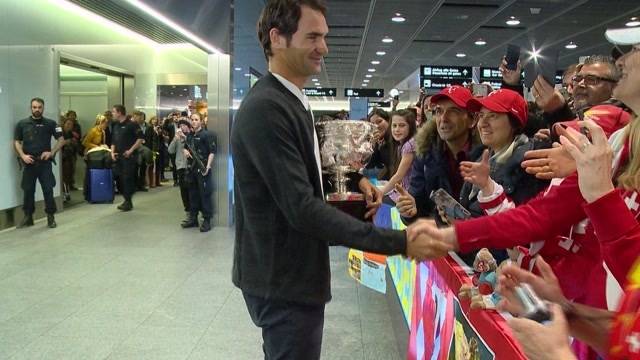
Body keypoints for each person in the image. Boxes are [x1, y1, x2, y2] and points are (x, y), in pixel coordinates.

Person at [231, 1, 449, 358]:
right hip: (283, 279)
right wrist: (400, 242)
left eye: (325, 37)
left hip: (292, 273)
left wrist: (353, 179)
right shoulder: (267, 108)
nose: (324, 48)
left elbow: (305, 174)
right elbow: (300, 207)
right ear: (278, 38)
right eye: (313, 37)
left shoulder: (291, 101)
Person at [396, 85, 483, 222]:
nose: (443, 118)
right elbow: (417, 204)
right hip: (440, 237)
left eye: (453, 111)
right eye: (438, 111)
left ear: (472, 120)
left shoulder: (486, 156)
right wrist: (409, 212)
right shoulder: (425, 154)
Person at [14, 98, 64, 228]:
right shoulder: (22, 124)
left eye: (39, 107)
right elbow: (17, 142)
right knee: (28, 190)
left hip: (44, 163)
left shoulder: (51, 124)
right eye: (34, 107)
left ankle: (50, 217)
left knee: (48, 189)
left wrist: (51, 152)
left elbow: (61, 140)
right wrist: (23, 155)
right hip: (29, 163)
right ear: (31, 108)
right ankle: (28, 217)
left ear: (43, 108)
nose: (37, 109)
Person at [181, 113, 216, 232]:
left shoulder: (207, 135)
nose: (194, 121)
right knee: (193, 194)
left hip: (202, 169)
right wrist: (185, 151)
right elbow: (186, 146)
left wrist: (208, 166)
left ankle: (206, 220)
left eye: (196, 119)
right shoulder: (190, 135)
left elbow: (212, 151)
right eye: (192, 119)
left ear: (201, 121)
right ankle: (193, 218)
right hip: (191, 169)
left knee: (205, 194)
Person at [110, 105, 144, 211]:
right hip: (118, 156)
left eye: (114, 112)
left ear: (120, 113)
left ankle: (127, 201)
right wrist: (112, 152)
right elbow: (113, 141)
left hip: (129, 156)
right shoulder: (115, 125)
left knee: (127, 178)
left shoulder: (132, 125)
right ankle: (128, 196)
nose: (112, 114)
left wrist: (131, 150)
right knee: (120, 178)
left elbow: (140, 139)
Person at [379, 109, 417, 202]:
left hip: (409, 195)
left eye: (402, 125)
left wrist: (379, 193)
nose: (397, 129)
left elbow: (398, 176)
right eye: (394, 125)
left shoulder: (410, 145)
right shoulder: (402, 145)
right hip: (402, 190)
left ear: (411, 127)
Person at [168, 119, 192, 221]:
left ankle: (194, 212)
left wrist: (185, 138)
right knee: (184, 191)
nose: (182, 127)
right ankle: (188, 212)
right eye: (180, 125)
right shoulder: (177, 138)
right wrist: (175, 138)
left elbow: (193, 147)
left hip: (191, 167)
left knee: (192, 191)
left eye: (184, 125)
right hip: (181, 167)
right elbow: (170, 150)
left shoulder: (192, 136)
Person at [364, 108, 392, 180]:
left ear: (388, 121)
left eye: (379, 121)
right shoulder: (381, 141)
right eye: (372, 124)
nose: (376, 126)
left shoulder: (396, 139)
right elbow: (371, 165)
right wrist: (373, 145)